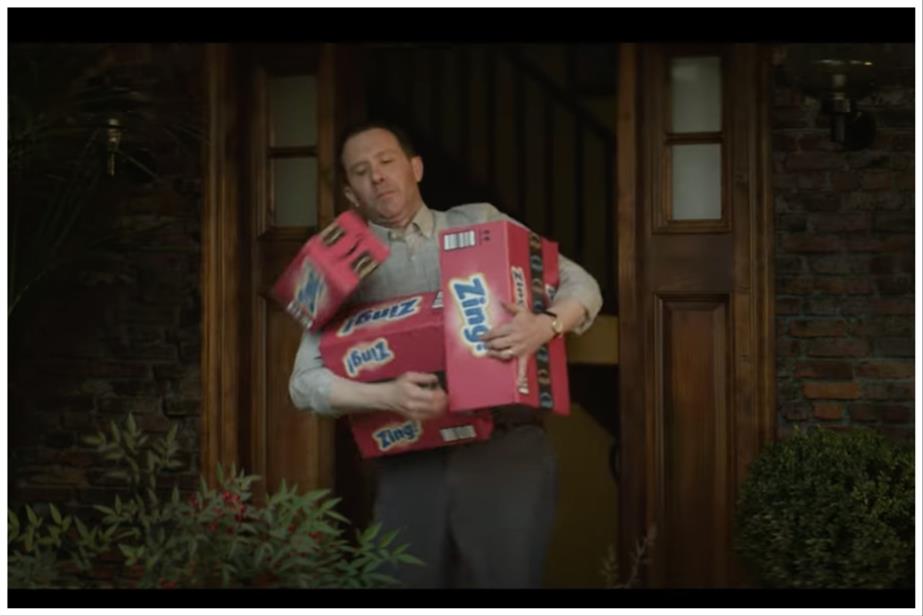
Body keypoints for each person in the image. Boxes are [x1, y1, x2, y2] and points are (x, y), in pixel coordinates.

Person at [289, 121, 602, 588]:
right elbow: (303, 383)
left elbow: (582, 284)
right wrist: (386, 396)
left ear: (415, 168)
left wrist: (545, 324)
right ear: (351, 194)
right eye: (360, 170)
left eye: (386, 161)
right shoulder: (340, 262)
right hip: (408, 457)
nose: (376, 176)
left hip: (504, 446)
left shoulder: (480, 221)